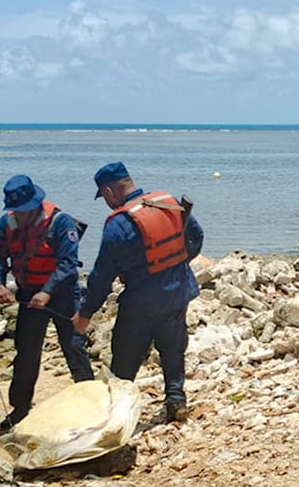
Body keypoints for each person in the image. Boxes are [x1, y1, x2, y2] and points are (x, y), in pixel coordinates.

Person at [73, 162, 204, 423]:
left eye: (104, 197)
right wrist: (178, 264)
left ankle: (117, 417)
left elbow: (101, 276)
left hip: (140, 304)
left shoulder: (118, 224)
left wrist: (85, 313)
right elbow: (196, 237)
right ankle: (176, 400)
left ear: (109, 191)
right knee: (173, 348)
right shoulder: (166, 203)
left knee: (125, 359)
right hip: (178, 292)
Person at [0, 174, 93, 430]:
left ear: (37, 204)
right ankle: (20, 408)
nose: (21, 215)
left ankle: (91, 400)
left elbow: (68, 264)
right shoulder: (5, 225)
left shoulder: (61, 223)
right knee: (26, 350)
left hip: (62, 293)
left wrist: (48, 292)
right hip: (28, 292)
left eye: (25, 211)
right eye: (17, 211)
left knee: (73, 345)